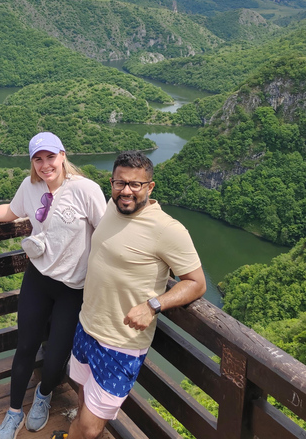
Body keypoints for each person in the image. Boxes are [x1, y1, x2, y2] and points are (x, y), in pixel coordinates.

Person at [0, 132, 106, 439]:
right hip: (38, 279)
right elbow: (10, 212)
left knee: (55, 357)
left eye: (50, 157)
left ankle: (43, 393)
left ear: (63, 155)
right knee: (25, 347)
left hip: (73, 288)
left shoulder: (85, 190)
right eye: (38, 159)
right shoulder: (30, 186)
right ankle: (13, 413)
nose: (44, 165)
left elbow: (106, 233)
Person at [64, 151, 206, 439]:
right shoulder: (111, 207)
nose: (126, 191)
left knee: (89, 427)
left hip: (121, 344)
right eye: (120, 183)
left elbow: (196, 282)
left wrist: (154, 305)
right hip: (87, 327)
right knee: (82, 400)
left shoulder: (167, 229)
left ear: (150, 187)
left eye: (135, 184)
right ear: (112, 183)